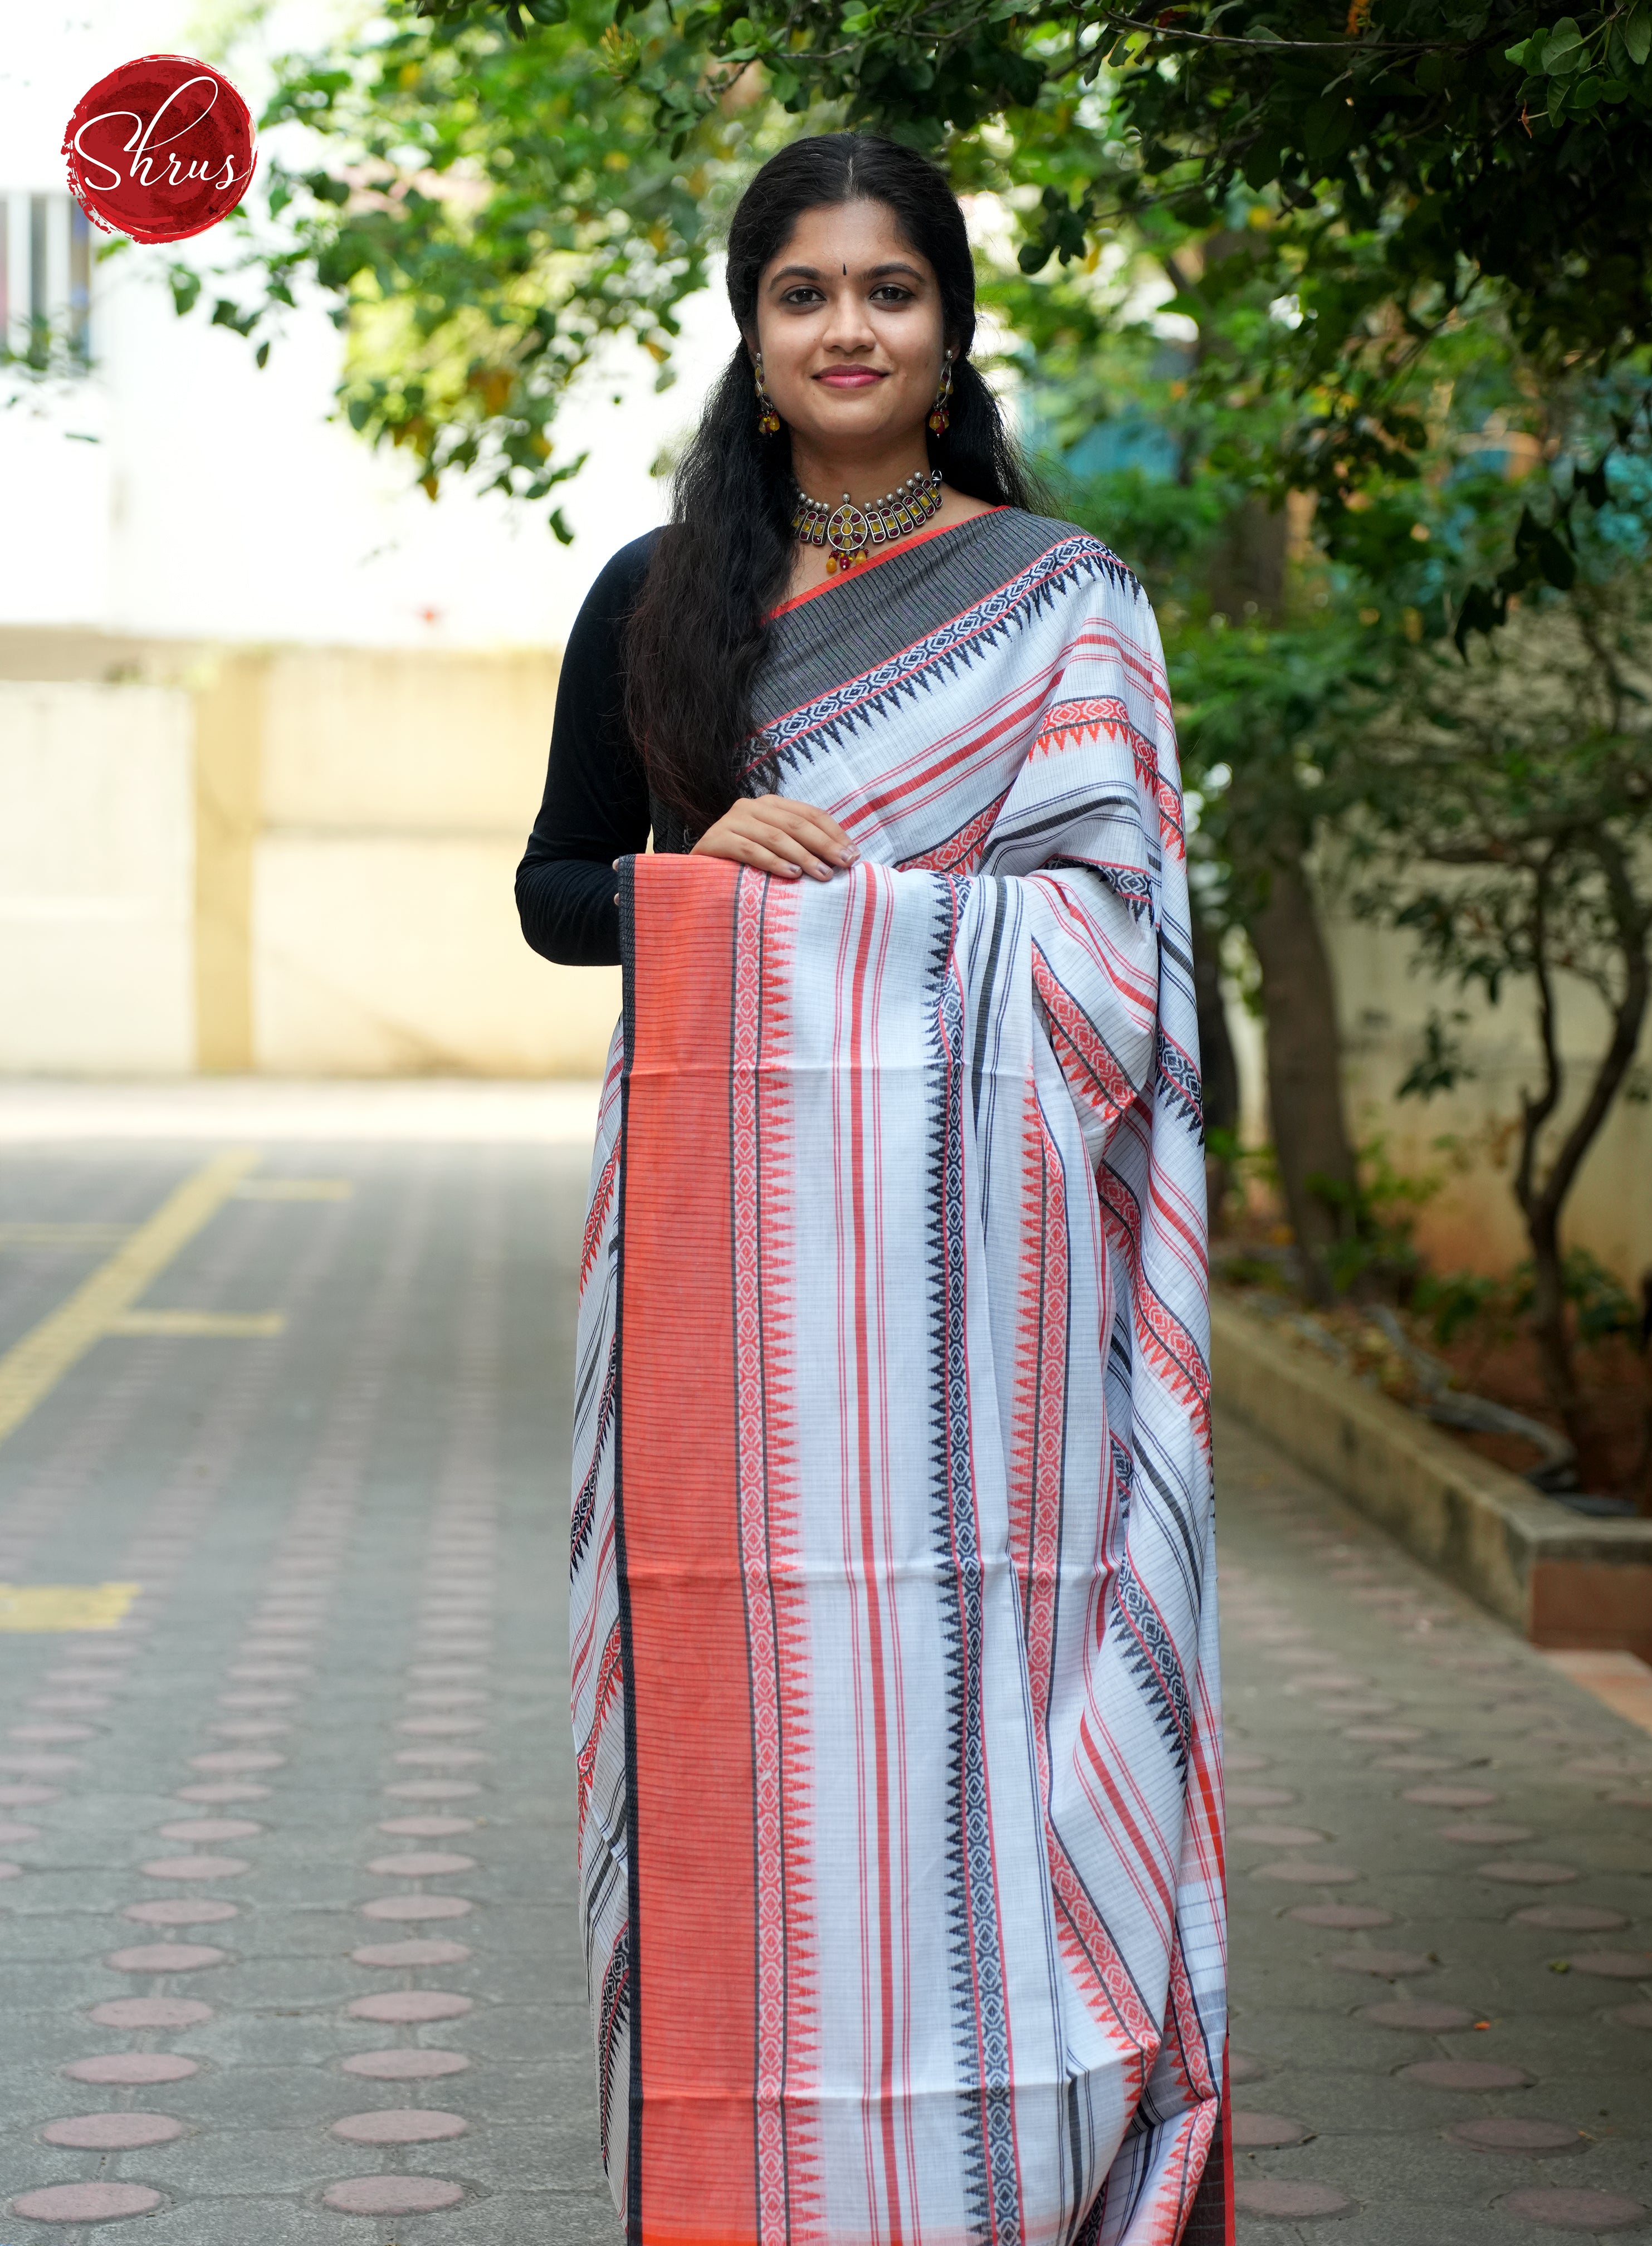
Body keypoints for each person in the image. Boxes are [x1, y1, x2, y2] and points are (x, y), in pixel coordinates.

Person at [517, 131, 1228, 2246]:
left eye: (889, 292)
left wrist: (902, 922)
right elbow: (559, 898)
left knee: (974, 1701)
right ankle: (762, 2186)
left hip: (981, 1294)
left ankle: (996, 2164)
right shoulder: (658, 600)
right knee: (746, 1725)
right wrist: (691, 872)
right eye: (804, 293)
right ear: (752, 339)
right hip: (713, 1288)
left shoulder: (1064, 600)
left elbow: (1123, 937)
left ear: (948, 334)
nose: (848, 328)